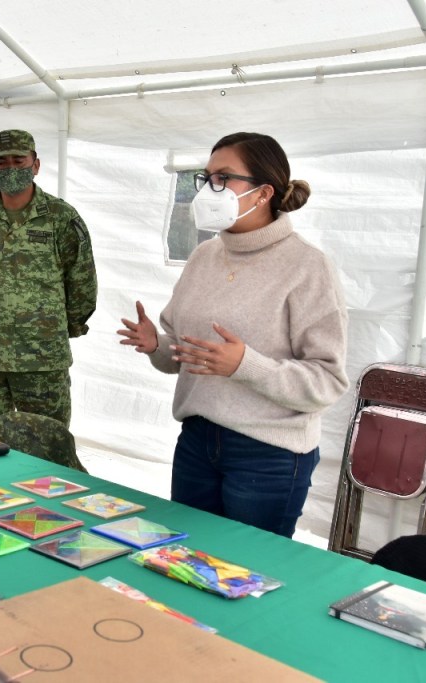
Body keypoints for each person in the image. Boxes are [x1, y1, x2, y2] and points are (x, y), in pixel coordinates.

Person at [117, 132, 348, 538]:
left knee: (248, 571)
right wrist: (157, 346)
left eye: (223, 178)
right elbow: (186, 356)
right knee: (185, 559)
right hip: (197, 441)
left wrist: (245, 365)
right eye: (206, 178)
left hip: (268, 454)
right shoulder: (204, 255)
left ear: (264, 193)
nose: (209, 189)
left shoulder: (308, 266)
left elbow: (326, 381)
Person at [0, 129, 97, 430]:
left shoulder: (60, 217)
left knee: (46, 443)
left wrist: (55, 330)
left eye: (18, 160)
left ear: (35, 164)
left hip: (41, 357)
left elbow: (82, 283)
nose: (10, 168)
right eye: (1, 162)